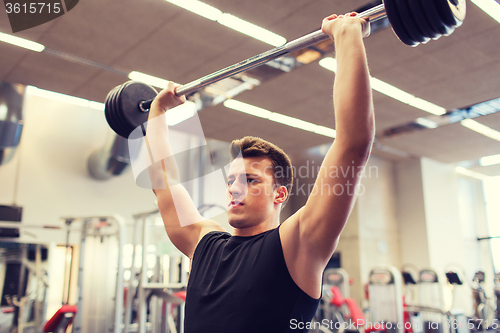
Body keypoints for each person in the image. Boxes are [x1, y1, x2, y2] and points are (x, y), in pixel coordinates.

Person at [145, 11, 374, 333]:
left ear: (279, 193)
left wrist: (347, 35)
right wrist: (157, 113)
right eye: (232, 180)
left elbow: (353, 145)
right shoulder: (204, 243)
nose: (235, 189)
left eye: (251, 180)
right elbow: (162, 181)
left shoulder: (298, 243)